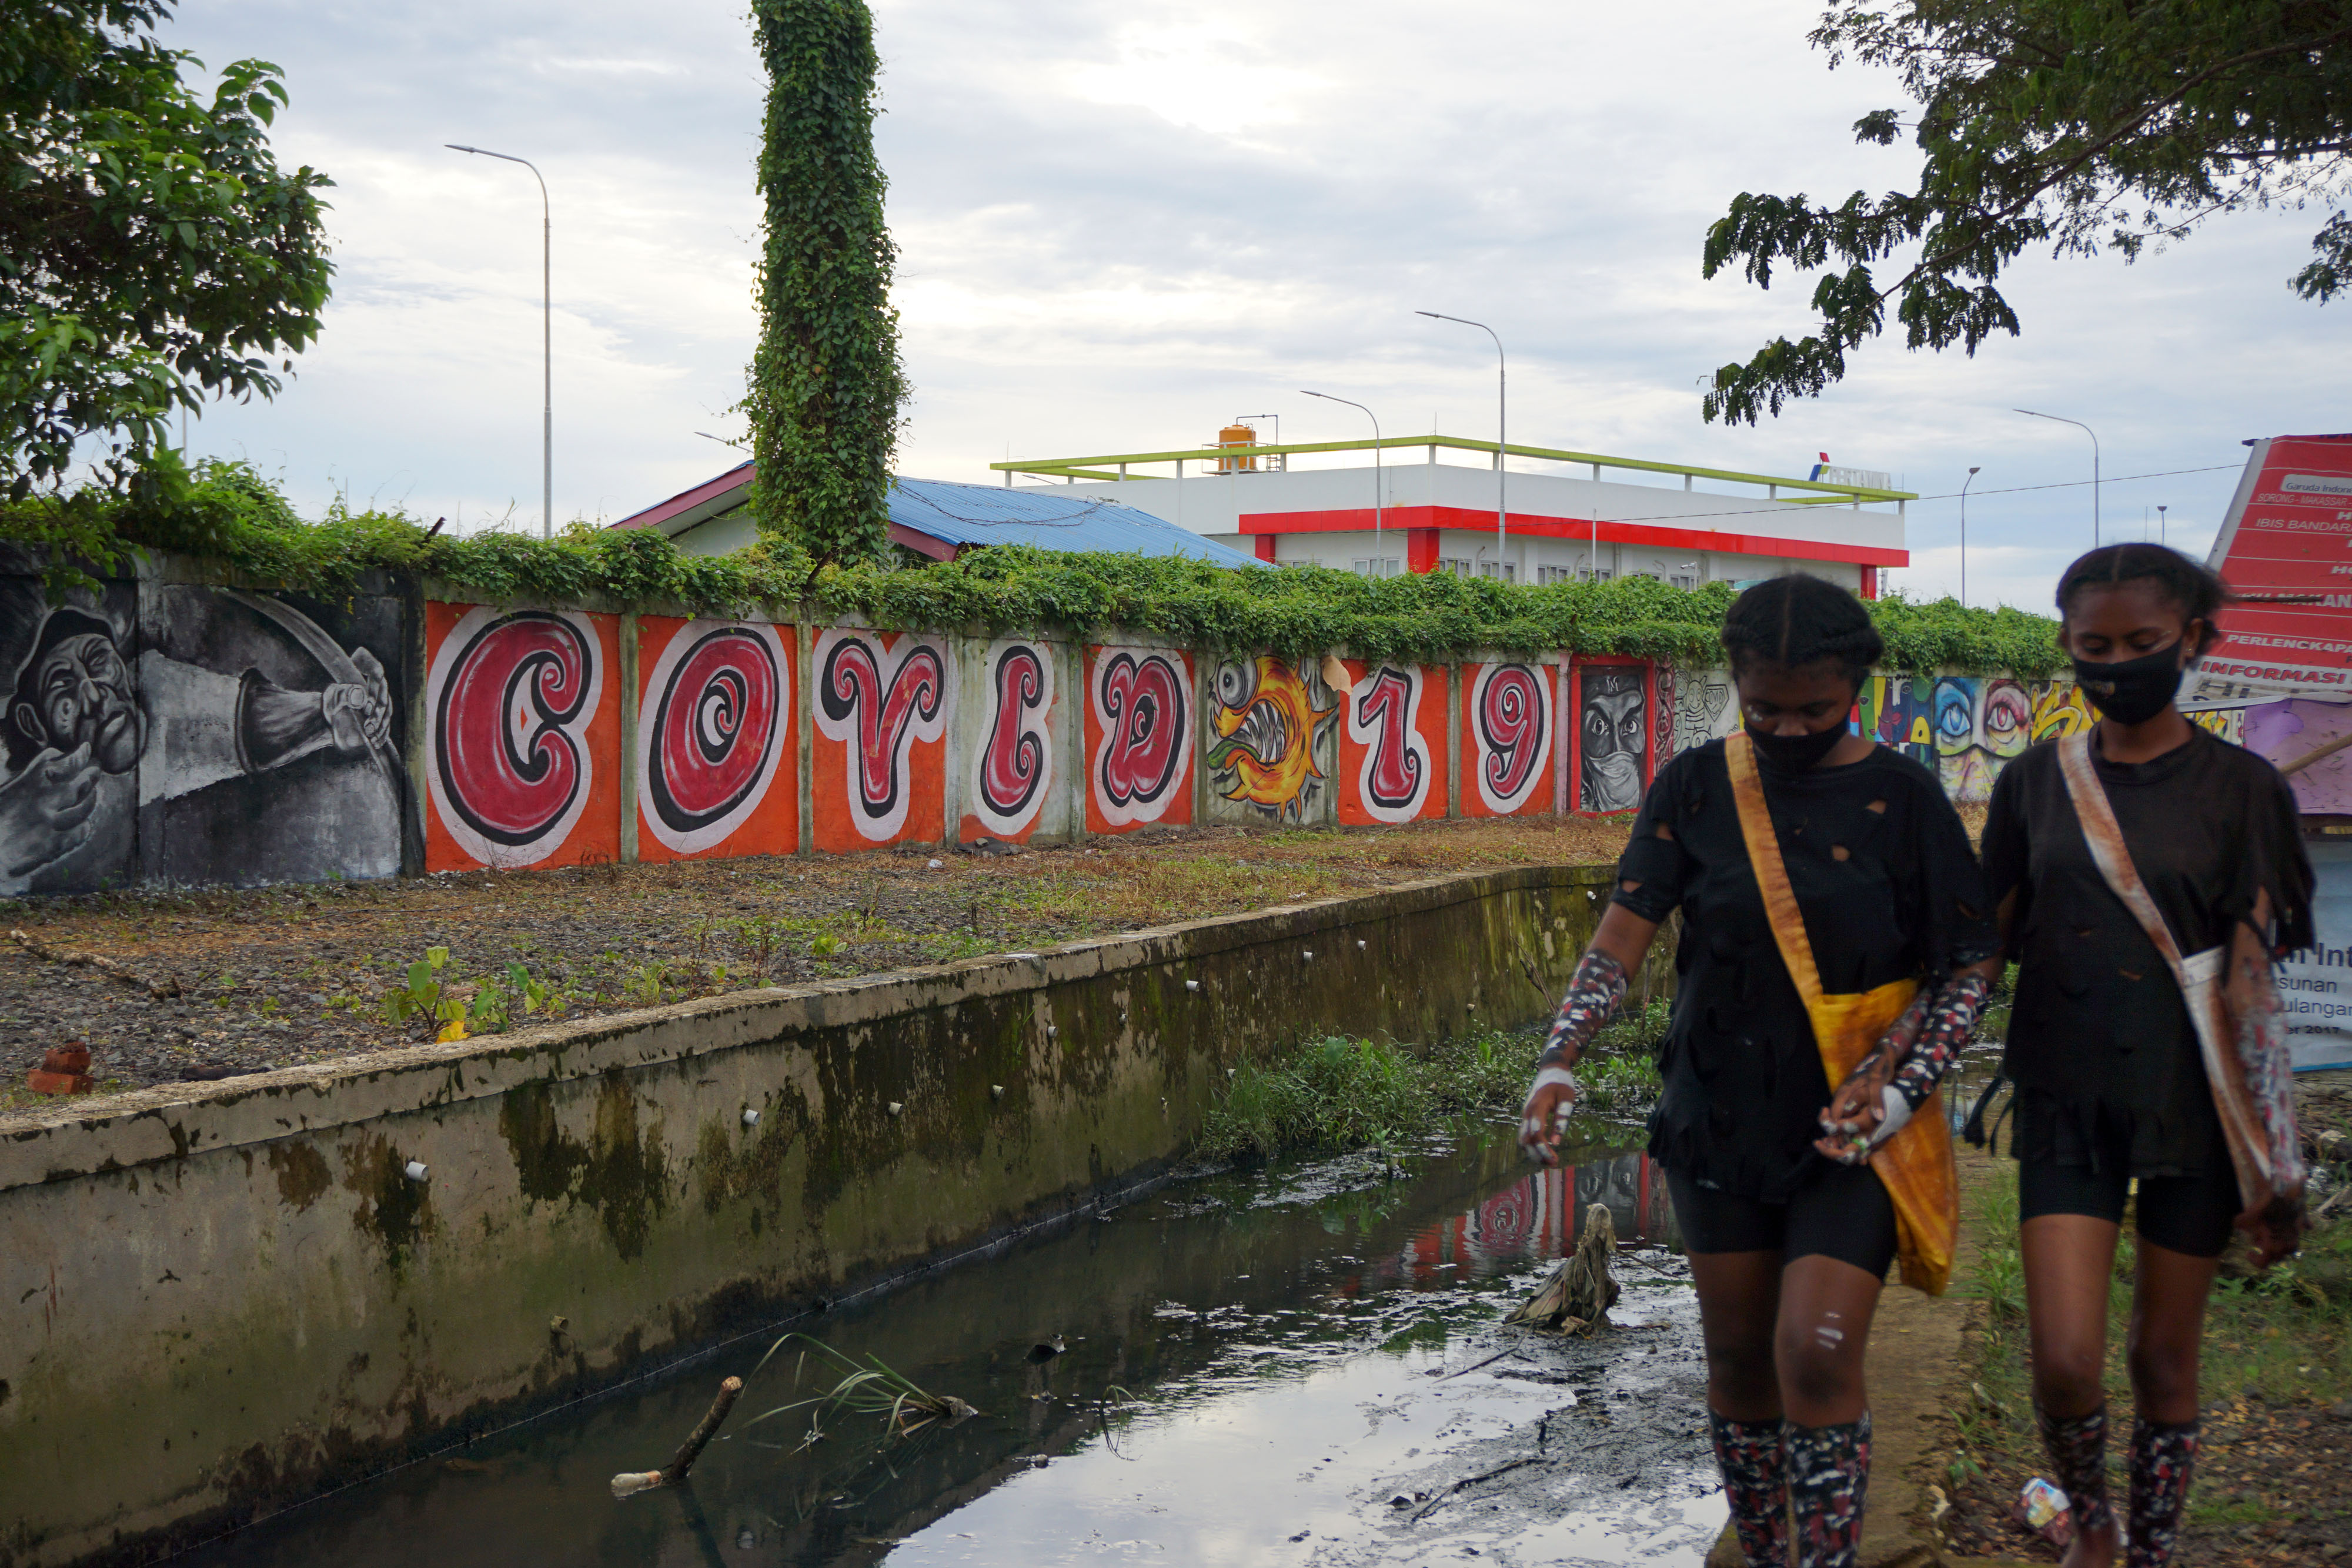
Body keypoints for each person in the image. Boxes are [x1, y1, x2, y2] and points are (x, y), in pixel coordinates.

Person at [1520, 573, 2002, 1568]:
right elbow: (1624, 933)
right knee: (1741, 1363)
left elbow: (1967, 969)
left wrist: (1903, 1088)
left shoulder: (1904, 799)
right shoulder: (1696, 787)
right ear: (1736, 683)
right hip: (1718, 1117)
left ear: (1856, 687)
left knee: (1814, 1355)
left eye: (1813, 710)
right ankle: (1770, 1549)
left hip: (1857, 1129)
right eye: (1764, 708)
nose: (1787, 730)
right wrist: (1559, 1056)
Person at [1981, 543, 2310, 1568]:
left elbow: (2251, 987)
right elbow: (1982, 947)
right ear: (2067, 645)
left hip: (2193, 1108)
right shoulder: (2035, 784)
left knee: (2164, 1362)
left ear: (2195, 640)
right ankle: (2094, 1523)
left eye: (2143, 643)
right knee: (2065, 1363)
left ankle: (2153, 1550)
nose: (2118, 664)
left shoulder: (2245, 789)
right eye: (2096, 647)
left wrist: (2277, 1160)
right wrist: (1897, 1063)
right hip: (2066, 1099)